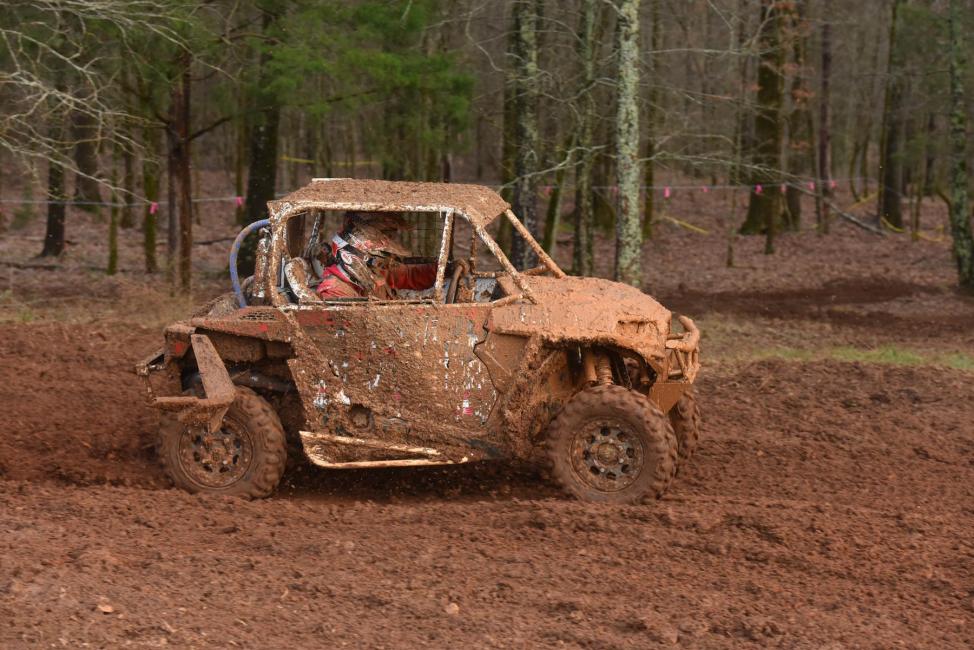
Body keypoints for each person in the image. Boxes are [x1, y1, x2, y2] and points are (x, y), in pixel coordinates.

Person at [314, 212, 440, 300]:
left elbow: (409, 276)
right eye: (377, 261)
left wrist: (442, 270)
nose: (386, 262)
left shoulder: (372, 273)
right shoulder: (335, 293)